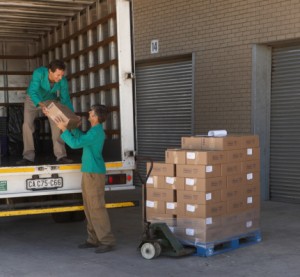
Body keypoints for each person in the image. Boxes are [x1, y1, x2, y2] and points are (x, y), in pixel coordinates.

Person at [54, 104, 116, 254]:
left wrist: (63, 129)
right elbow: (81, 139)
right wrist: (73, 128)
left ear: (95, 117)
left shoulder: (96, 132)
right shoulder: (93, 131)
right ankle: (93, 239)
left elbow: (75, 144)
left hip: (94, 174)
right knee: (89, 207)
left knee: (97, 208)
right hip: (89, 172)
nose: (89, 113)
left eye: (91, 112)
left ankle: (107, 241)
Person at [17, 60, 74, 165]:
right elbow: (33, 91)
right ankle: (28, 156)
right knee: (27, 125)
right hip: (32, 99)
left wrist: (72, 115)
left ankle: (61, 155)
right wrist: (41, 105)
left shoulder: (63, 81)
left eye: (62, 75)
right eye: (58, 75)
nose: (60, 78)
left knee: (58, 124)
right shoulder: (39, 73)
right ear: (50, 72)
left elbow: (65, 99)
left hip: (49, 100)